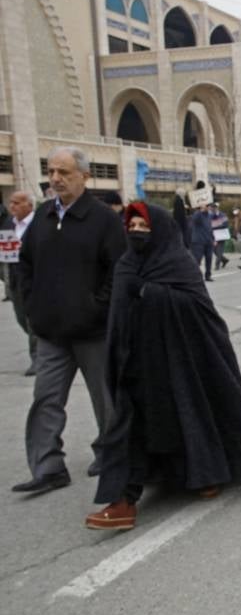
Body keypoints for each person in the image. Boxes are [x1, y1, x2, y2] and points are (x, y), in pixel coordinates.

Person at [85, 202, 241, 529]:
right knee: (128, 425)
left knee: (188, 416)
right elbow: (118, 315)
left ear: (160, 229)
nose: (136, 231)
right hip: (136, 364)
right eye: (131, 226)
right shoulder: (125, 265)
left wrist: (151, 293)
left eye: (143, 226)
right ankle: (122, 501)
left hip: (179, 363)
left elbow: (198, 310)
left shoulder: (178, 263)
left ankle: (205, 473)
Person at [12, 147, 127, 493]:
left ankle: (110, 453)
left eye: (64, 172)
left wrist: (97, 308)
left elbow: (118, 270)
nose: (56, 179)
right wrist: (33, 308)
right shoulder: (44, 217)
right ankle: (48, 467)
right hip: (51, 332)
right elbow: (26, 266)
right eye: (52, 172)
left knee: (105, 400)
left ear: (84, 176)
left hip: (93, 331)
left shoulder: (104, 220)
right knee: (45, 398)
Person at [4, 190, 38, 375]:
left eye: (17, 203)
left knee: (32, 320)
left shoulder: (38, 223)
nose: (13, 206)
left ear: (29, 205)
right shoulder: (8, 225)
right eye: (11, 203)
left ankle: (37, 358)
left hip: (34, 279)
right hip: (16, 279)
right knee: (20, 317)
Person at [189, 203, 215, 281]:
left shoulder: (209, 216)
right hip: (198, 241)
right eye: (207, 206)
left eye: (208, 206)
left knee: (209, 259)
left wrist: (213, 239)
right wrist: (200, 210)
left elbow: (210, 228)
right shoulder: (198, 215)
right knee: (197, 260)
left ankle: (208, 275)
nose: (208, 208)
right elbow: (194, 219)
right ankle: (195, 276)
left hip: (208, 241)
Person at [210, 204, 230, 270]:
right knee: (214, 250)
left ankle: (217, 265)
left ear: (216, 208)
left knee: (219, 250)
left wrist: (215, 225)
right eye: (211, 208)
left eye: (212, 208)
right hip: (213, 235)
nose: (211, 210)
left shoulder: (222, 215)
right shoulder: (210, 215)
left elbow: (225, 224)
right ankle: (224, 260)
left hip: (221, 235)